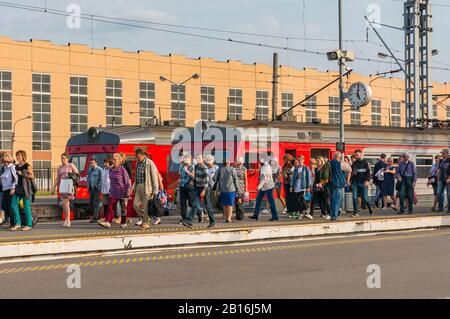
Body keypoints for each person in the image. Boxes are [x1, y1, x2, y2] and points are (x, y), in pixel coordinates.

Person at [98, 153, 131, 228]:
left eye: (115, 159)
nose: (113, 161)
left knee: (123, 210)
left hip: (122, 192)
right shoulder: (110, 169)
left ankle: (123, 222)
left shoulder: (123, 170)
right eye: (112, 159)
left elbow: (127, 182)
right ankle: (108, 222)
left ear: (119, 161)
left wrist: (127, 192)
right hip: (113, 192)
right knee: (110, 207)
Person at [131, 149, 160, 230]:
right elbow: (136, 177)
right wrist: (133, 187)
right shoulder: (138, 164)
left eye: (138, 156)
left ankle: (145, 223)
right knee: (135, 205)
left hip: (147, 187)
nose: (137, 158)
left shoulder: (150, 163)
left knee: (145, 206)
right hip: (138, 186)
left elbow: (154, 177)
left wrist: (155, 191)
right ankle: (147, 218)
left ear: (143, 155)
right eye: (136, 156)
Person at [183, 154, 210, 228]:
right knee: (194, 204)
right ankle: (189, 220)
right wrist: (193, 182)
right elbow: (195, 177)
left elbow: (207, 181)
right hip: (196, 188)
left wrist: (204, 190)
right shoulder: (196, 167)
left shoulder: (204, 168)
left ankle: (212, 221)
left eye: (199, 158)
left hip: (202, 189)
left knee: (208, 206)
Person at [53, 152, 79, 228]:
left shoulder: (70, 165)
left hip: (69, 186)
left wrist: (70, 176)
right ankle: (66, 219)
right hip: (62, 186)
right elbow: (57, 178)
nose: (62, 160)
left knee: (65, 202)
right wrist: (54, 187)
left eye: (64, 158)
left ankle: (67, 220)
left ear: (67, 159)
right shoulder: (59, 167)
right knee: (64, 204)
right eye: (61, 158)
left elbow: (77, 174)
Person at [11, 151, 35, 231]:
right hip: (18, 187)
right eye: (17, 156)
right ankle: (18, 223)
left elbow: (32, 176)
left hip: (26, 188)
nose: (17, 157)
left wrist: (22, 174)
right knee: (14, 205)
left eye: (19, 156)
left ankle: (29, 224)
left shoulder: (27, 165)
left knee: (26, 207)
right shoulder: (16, 166)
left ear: (23, 156)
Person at [249, 155, 279, 222]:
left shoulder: (267, 167)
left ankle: (275, 216)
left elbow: (265, 179)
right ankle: (255, 215)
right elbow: (262, 177)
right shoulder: (263, 167)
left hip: (268, 186)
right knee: (258, 199)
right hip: (264, 187)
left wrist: (259, 186)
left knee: (271, 201)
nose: (258, 161)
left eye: (259, 160)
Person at [216, 157, 239, 223]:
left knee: (225, 204)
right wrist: (238, 189)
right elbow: (235, 180)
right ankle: (229, 219)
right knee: (230, 204)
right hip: (230, 189)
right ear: (228, 162)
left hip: (222, 189)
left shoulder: (219, 169)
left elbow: (214, 178)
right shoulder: (232, 169)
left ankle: (226, 218)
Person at [350, 150, 373, 217]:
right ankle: (355, 212)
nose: (356, 156)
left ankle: (369, 207)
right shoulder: (354, 163)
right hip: (355, 182)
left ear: (361, 155)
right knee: (354, 197)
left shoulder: (366, 162)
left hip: (363, 182)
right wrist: (351, 181)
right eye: (355, 155)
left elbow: (369, 172)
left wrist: (367, 180)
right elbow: (352, 173)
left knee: (365, 198)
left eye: (358, 155)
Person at [289, 155, 311, 220]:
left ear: (303, 160)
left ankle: (306, 209)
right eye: (299, 160)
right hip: (296, 187)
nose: (300, 161)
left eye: (301, 160)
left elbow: (308, 178)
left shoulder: (305, 168)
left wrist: (308, 187)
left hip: (303, 186)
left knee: (300, 199)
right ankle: (301, 213)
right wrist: (291, 186)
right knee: (299, 201)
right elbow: (293, 178)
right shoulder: (296, 169)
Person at [329, 152, 349, 221]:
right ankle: (335, 216)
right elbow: (350, 170)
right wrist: (347, 179)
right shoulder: (341, 163)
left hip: (330, 184)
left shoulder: (329, 162)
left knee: (332, 201)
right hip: (338, 184)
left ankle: (332, 215)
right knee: (337, 201)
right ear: (339, 157)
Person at [1, 153, 18, 228]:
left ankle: (13, 223)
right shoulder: (4, 168)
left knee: (10, 207)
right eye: (4, 161)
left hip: (11, 189)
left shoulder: (12, 167)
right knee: (4, 206)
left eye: (7, 161)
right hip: (5, 189)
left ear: (10, 161)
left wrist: (13, 188)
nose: (5, 163)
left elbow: (16, 179)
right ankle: (11, 222)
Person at [178, 154, 196, 224]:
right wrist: (179, 181)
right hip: (182, 186)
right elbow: (180, 175)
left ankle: (199, 212)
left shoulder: (192, 167)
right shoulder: (182, 166)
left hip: (189, 186)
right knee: (183, 203)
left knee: (191, 202)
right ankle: (184, 218)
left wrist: (187, 171)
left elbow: (193, 176)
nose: (186, 162)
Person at [87, 159, 103, 223]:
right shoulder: (90, 170)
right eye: (90, 163)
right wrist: (88, 187)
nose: (91, 164)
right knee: (91, 203)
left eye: (93, 163)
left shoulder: (99, 170)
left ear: (96, 163)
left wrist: (98, 186)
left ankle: (95, 217)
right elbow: (89, 179)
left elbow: (101, 179)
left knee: (96, 203)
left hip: (97, 189)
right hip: (91, 189)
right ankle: (95, 216)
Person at [233, 156, 248, 221]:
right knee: (236, 200)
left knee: (239, 200)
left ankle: (240, 215)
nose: (240, 164)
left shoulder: (244, 169)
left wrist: (246, 188)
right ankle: (238, 215)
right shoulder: (233, 168)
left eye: (241, 163)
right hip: (234, 186)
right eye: (239, 163)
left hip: (241, 186)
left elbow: (245, 178)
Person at [99, 157, 113, 222]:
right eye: (104, 162)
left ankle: (112, 217)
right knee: (105, 204)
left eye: (106, 162)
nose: (105, 164)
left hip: (110, 189)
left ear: (109, 163)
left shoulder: (112, 169)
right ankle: (105, 217)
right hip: (104, 190)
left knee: (111, 204)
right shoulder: (104, 169)